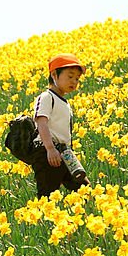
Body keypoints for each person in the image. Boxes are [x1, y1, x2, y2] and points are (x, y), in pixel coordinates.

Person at [30, 54, 89, 198]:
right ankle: (43, 220)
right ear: (54, 75)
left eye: (77, 79)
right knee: (47, 197)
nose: (74, 82)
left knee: (85, 190)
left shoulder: (65, 103)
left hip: (65, 154)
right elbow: (41, 122)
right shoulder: (46, 97)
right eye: (70, 76)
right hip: (46, 154)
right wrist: (50, 148)